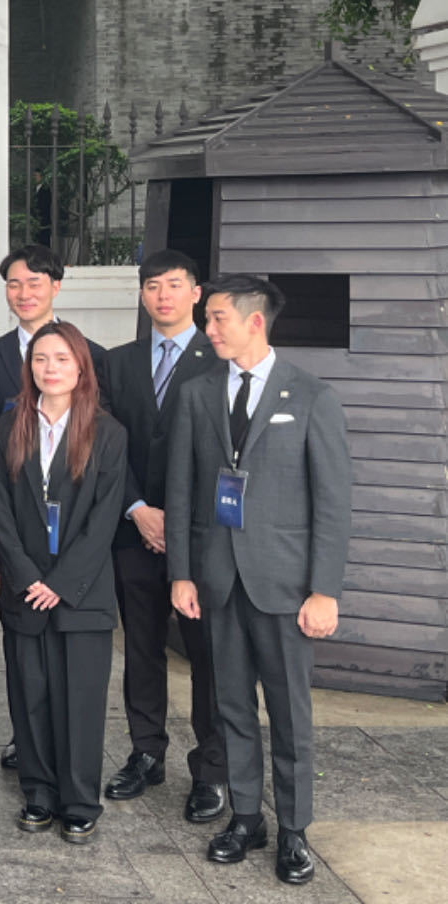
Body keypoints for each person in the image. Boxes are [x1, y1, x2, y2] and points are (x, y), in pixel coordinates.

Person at [167, 275, 352, 886]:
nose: (208, 329)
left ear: (254, 321)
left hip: (285, 586)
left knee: (290, 714)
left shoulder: (312, 396)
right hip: (218, 581)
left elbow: (333, 503)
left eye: (217, 318)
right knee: (231, 707)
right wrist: (182, 573)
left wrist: (324, 590)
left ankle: (294, 829)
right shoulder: (196, 395)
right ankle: (247, 817)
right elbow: (182, 490)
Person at [0, 321, 128, 844]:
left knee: (81, 700)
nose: (51, 369)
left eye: (63, 359)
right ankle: (39, 792)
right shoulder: (7, 427)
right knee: (30, 695)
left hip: (81, 592)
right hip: (25, 588)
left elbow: (104, 520)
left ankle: (79, 801)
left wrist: (61, 582)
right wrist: (26, 575)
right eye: (41, 359)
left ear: (81, 367)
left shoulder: (108, 433)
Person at [102, 250, 227, 822]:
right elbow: (106, 444)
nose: (163, 295)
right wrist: (137, 509)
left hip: (198, 539)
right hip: (134, 532)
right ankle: (146, 751)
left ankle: (212, 768)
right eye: (152, 286)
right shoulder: (117, 362)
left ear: (195, 293)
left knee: (208, 655)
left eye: (174, 285)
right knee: (142, 648)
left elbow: (226, 455)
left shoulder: (218, 360)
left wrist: (176, 520)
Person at [0, 245, 106, 419]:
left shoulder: (93, 355)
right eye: (14, 285)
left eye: (34, 285)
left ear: (55, 287)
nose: (24, 295)